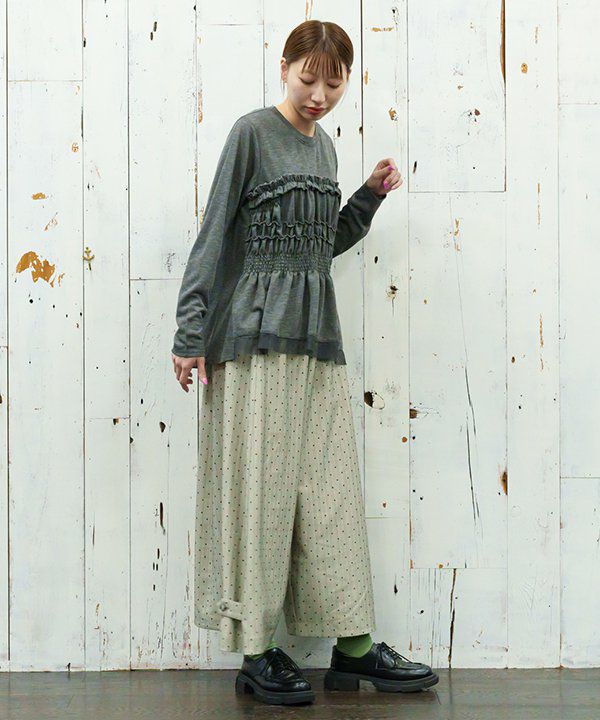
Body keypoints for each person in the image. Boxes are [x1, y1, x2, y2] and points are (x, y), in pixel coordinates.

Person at [171, 19, 439, 706]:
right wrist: (189, 333)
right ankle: (257, 651)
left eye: (334, 83)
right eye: (308, 78)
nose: (319, 95)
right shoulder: (252, 134)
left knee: (328, 496)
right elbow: (212, 234)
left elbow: (320, 245)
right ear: (285, 67)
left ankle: (355, 649)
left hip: (318, 340)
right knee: (260, 495)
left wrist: (369, 195)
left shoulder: (325, 148)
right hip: (253, 342)